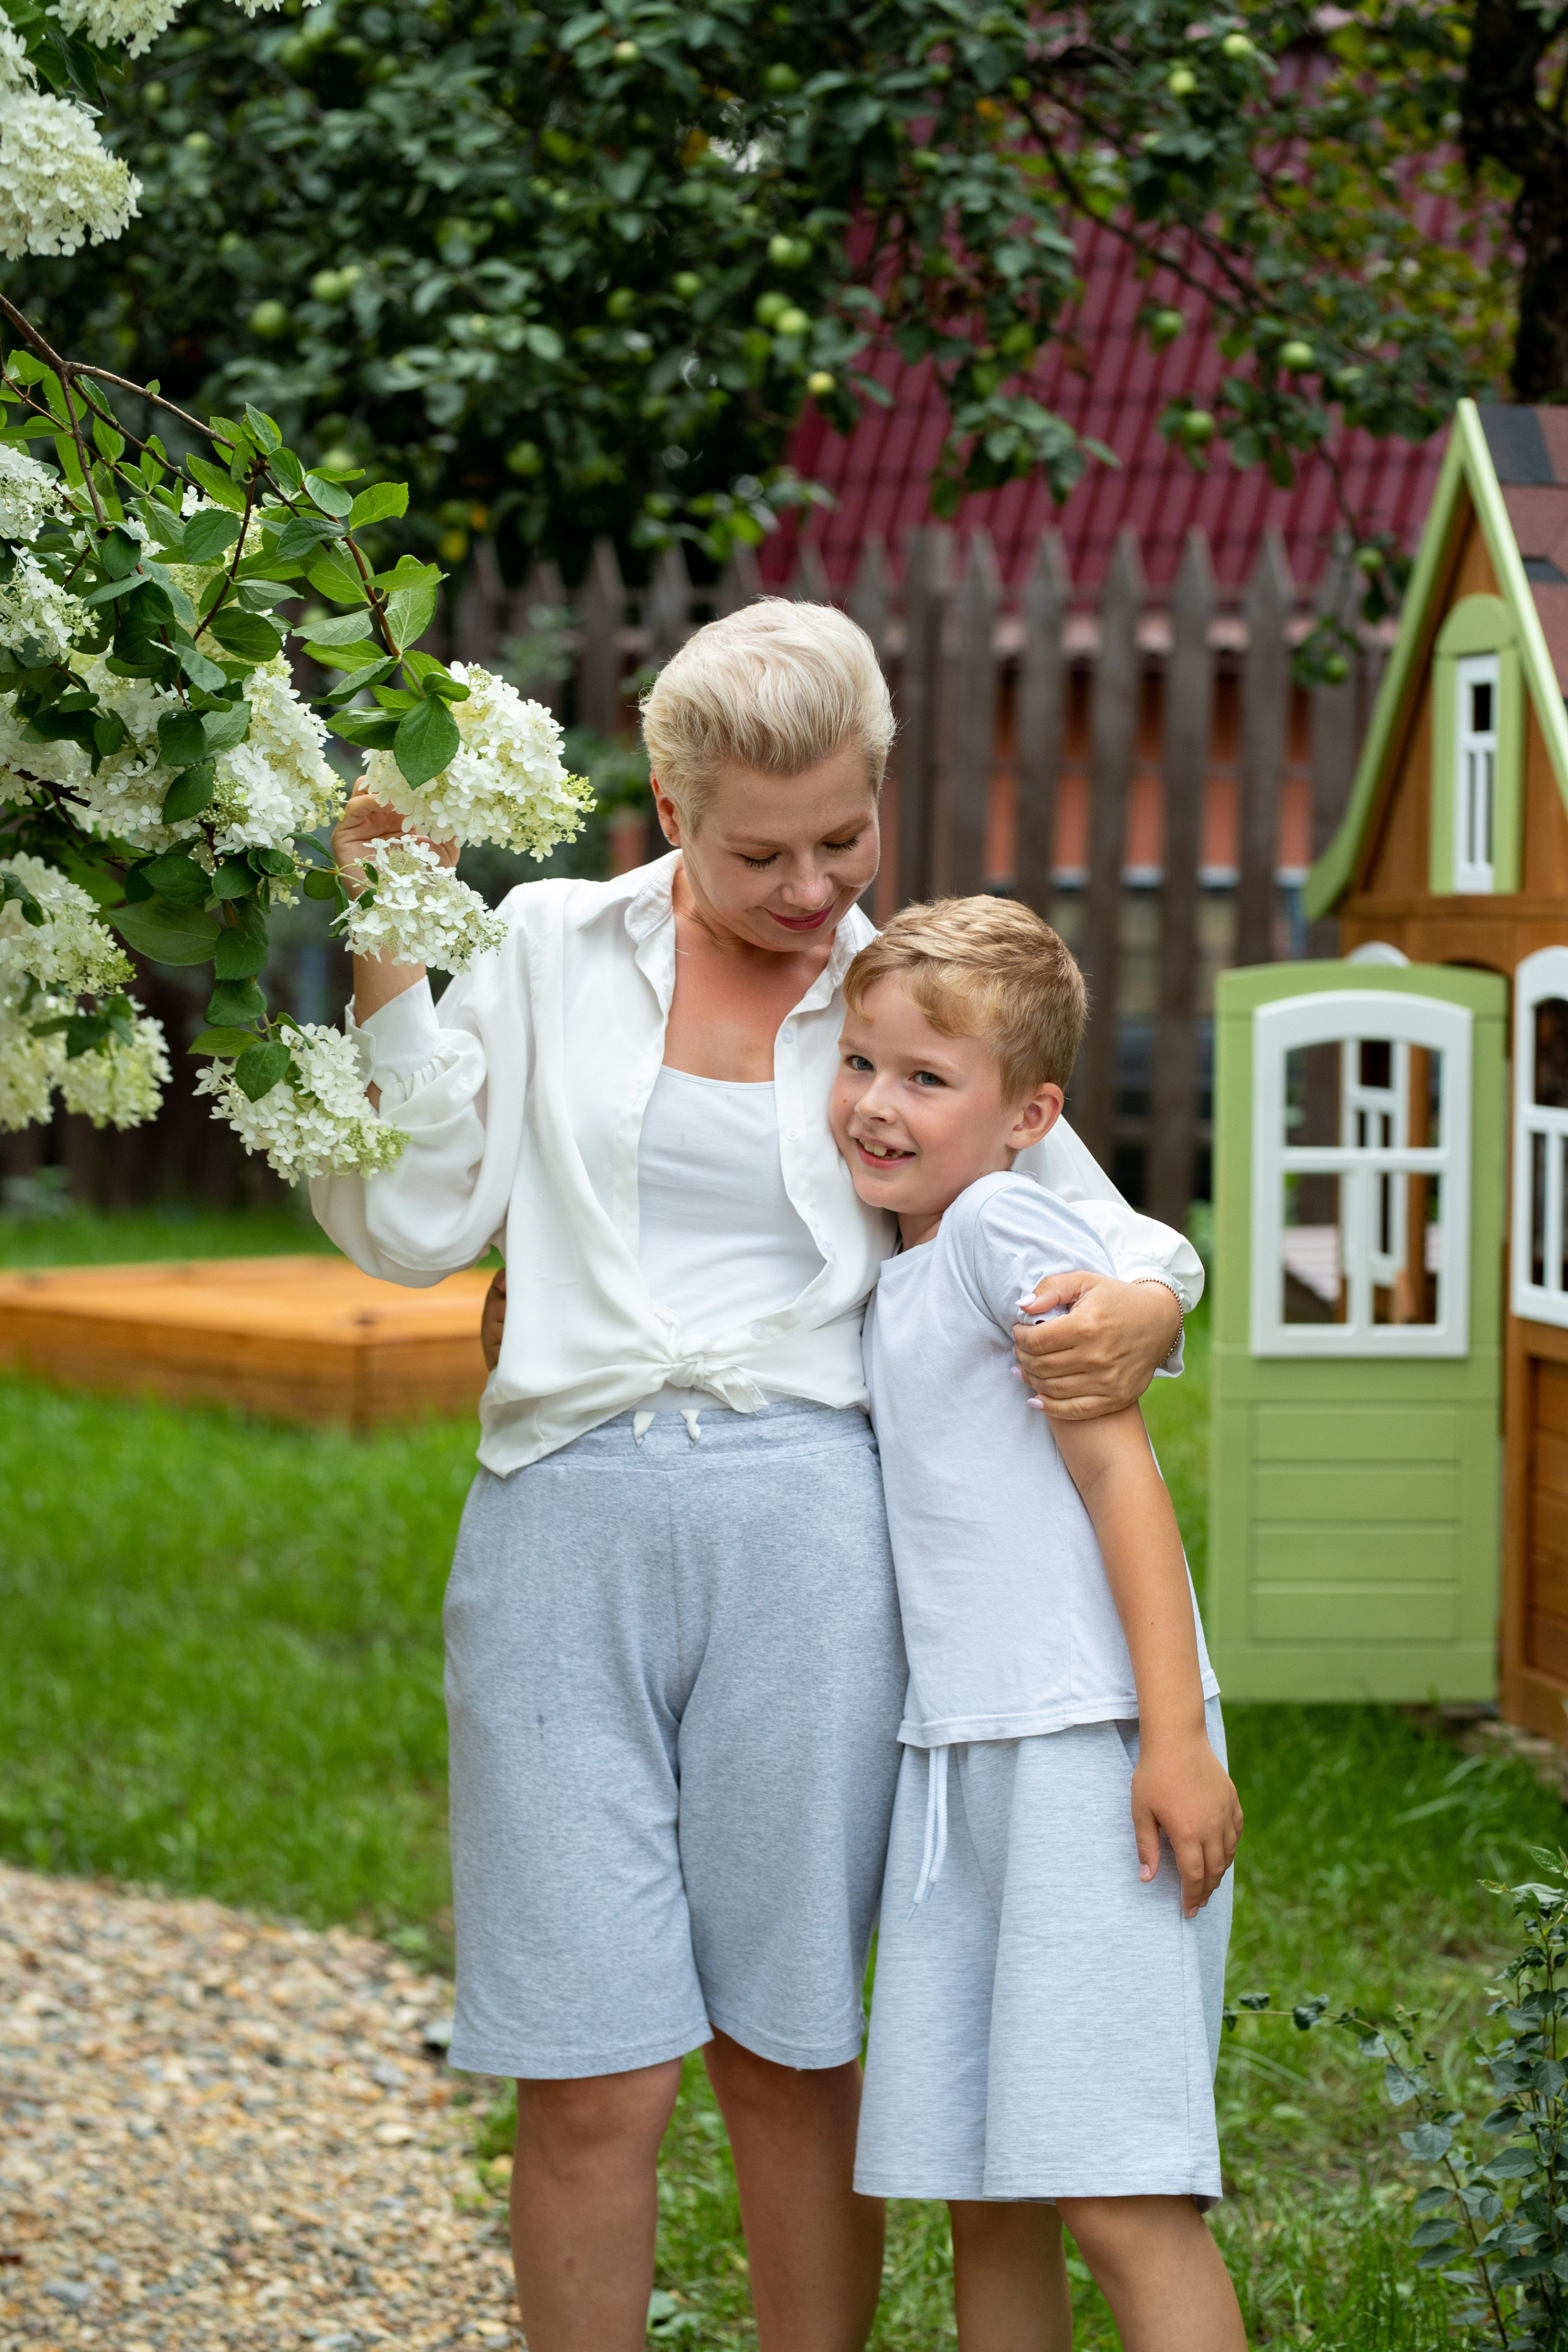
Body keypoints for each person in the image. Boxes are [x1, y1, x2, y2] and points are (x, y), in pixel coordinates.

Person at [312, 598, 1205, 2352]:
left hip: (811, 1536)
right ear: (664, 807)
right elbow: (411, 1224)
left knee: (788, 2051)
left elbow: (1113, 1234)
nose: (812, 891)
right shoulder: (553, 944)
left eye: (845, 837)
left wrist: (1152, 1306)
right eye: (762, 852)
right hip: (559, 1526)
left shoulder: (901, 1000)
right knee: (588, 2072)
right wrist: (387, 954)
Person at [830, 895, 1244, 2352]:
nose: (877, 1106)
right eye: (860, 1063)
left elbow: (1114, 1468)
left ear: (1030, 1115)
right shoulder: (900, 1268)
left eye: (926, 1080)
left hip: (1084, 1751)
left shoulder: (1005, 1226)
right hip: (956, 1767)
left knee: (1118, 2186)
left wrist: (1173, 1738)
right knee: (978, 2186)